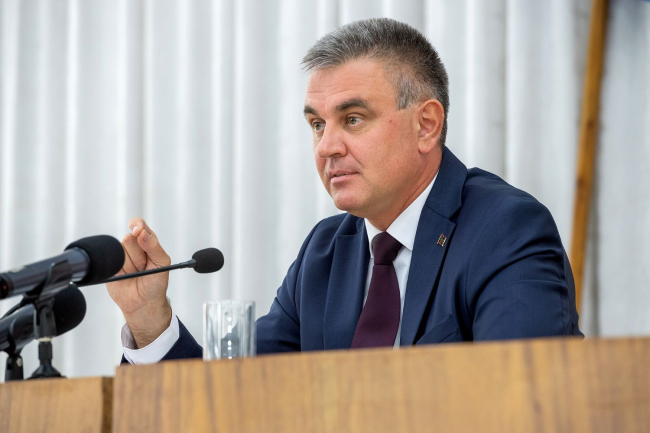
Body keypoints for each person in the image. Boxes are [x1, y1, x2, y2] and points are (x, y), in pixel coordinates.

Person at [108, 18, 582, 364]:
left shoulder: (504, 228)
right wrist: (150, 319)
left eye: (353, 119)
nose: (326, 147)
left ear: (426, 125)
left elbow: (523, 396)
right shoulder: (325, 251)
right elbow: (231, 401)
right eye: (317, 125)